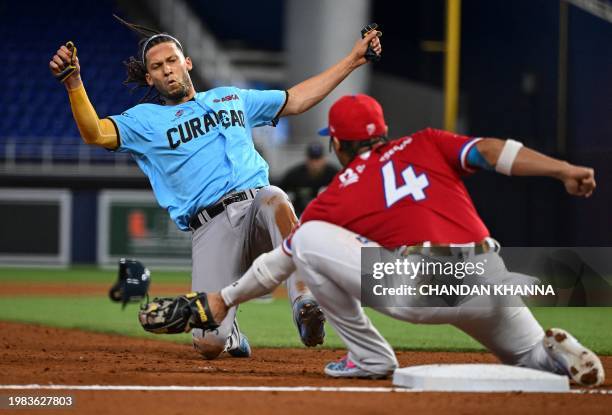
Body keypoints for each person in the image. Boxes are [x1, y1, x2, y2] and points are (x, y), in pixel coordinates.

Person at [172, 94, 603, 386]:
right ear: (384, 130)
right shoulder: (428, 142)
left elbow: (279, 263)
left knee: (306, 241)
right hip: (489, 274)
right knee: (528, 358)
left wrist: (225, 297)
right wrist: (563, 170)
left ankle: (369, 357)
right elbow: (491, 151)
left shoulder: (342, 190)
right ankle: (562, 355)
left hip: (426, 286)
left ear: (338, 144)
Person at [48, 21, 382, 359]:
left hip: (256, 207)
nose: (167, 70)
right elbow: (96, 133)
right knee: (210, 345)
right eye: (157, 67)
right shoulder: (145, 121)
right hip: (211, 226)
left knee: (276, 198)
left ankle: (304, 303)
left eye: (172, 61)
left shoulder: (230, 98)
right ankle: (229, 329)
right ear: (150, 78)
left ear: (187, 62)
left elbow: (295, 100)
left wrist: (354, 59)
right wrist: (74, 83)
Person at [280, 142, 339, 216]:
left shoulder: (334, 174)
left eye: (317, 159)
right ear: (306, 159)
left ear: (324, 159)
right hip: (300, 215)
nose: (314, 163)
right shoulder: (295, 175)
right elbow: (279, 192)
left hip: (327, 216)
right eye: (312, 159)